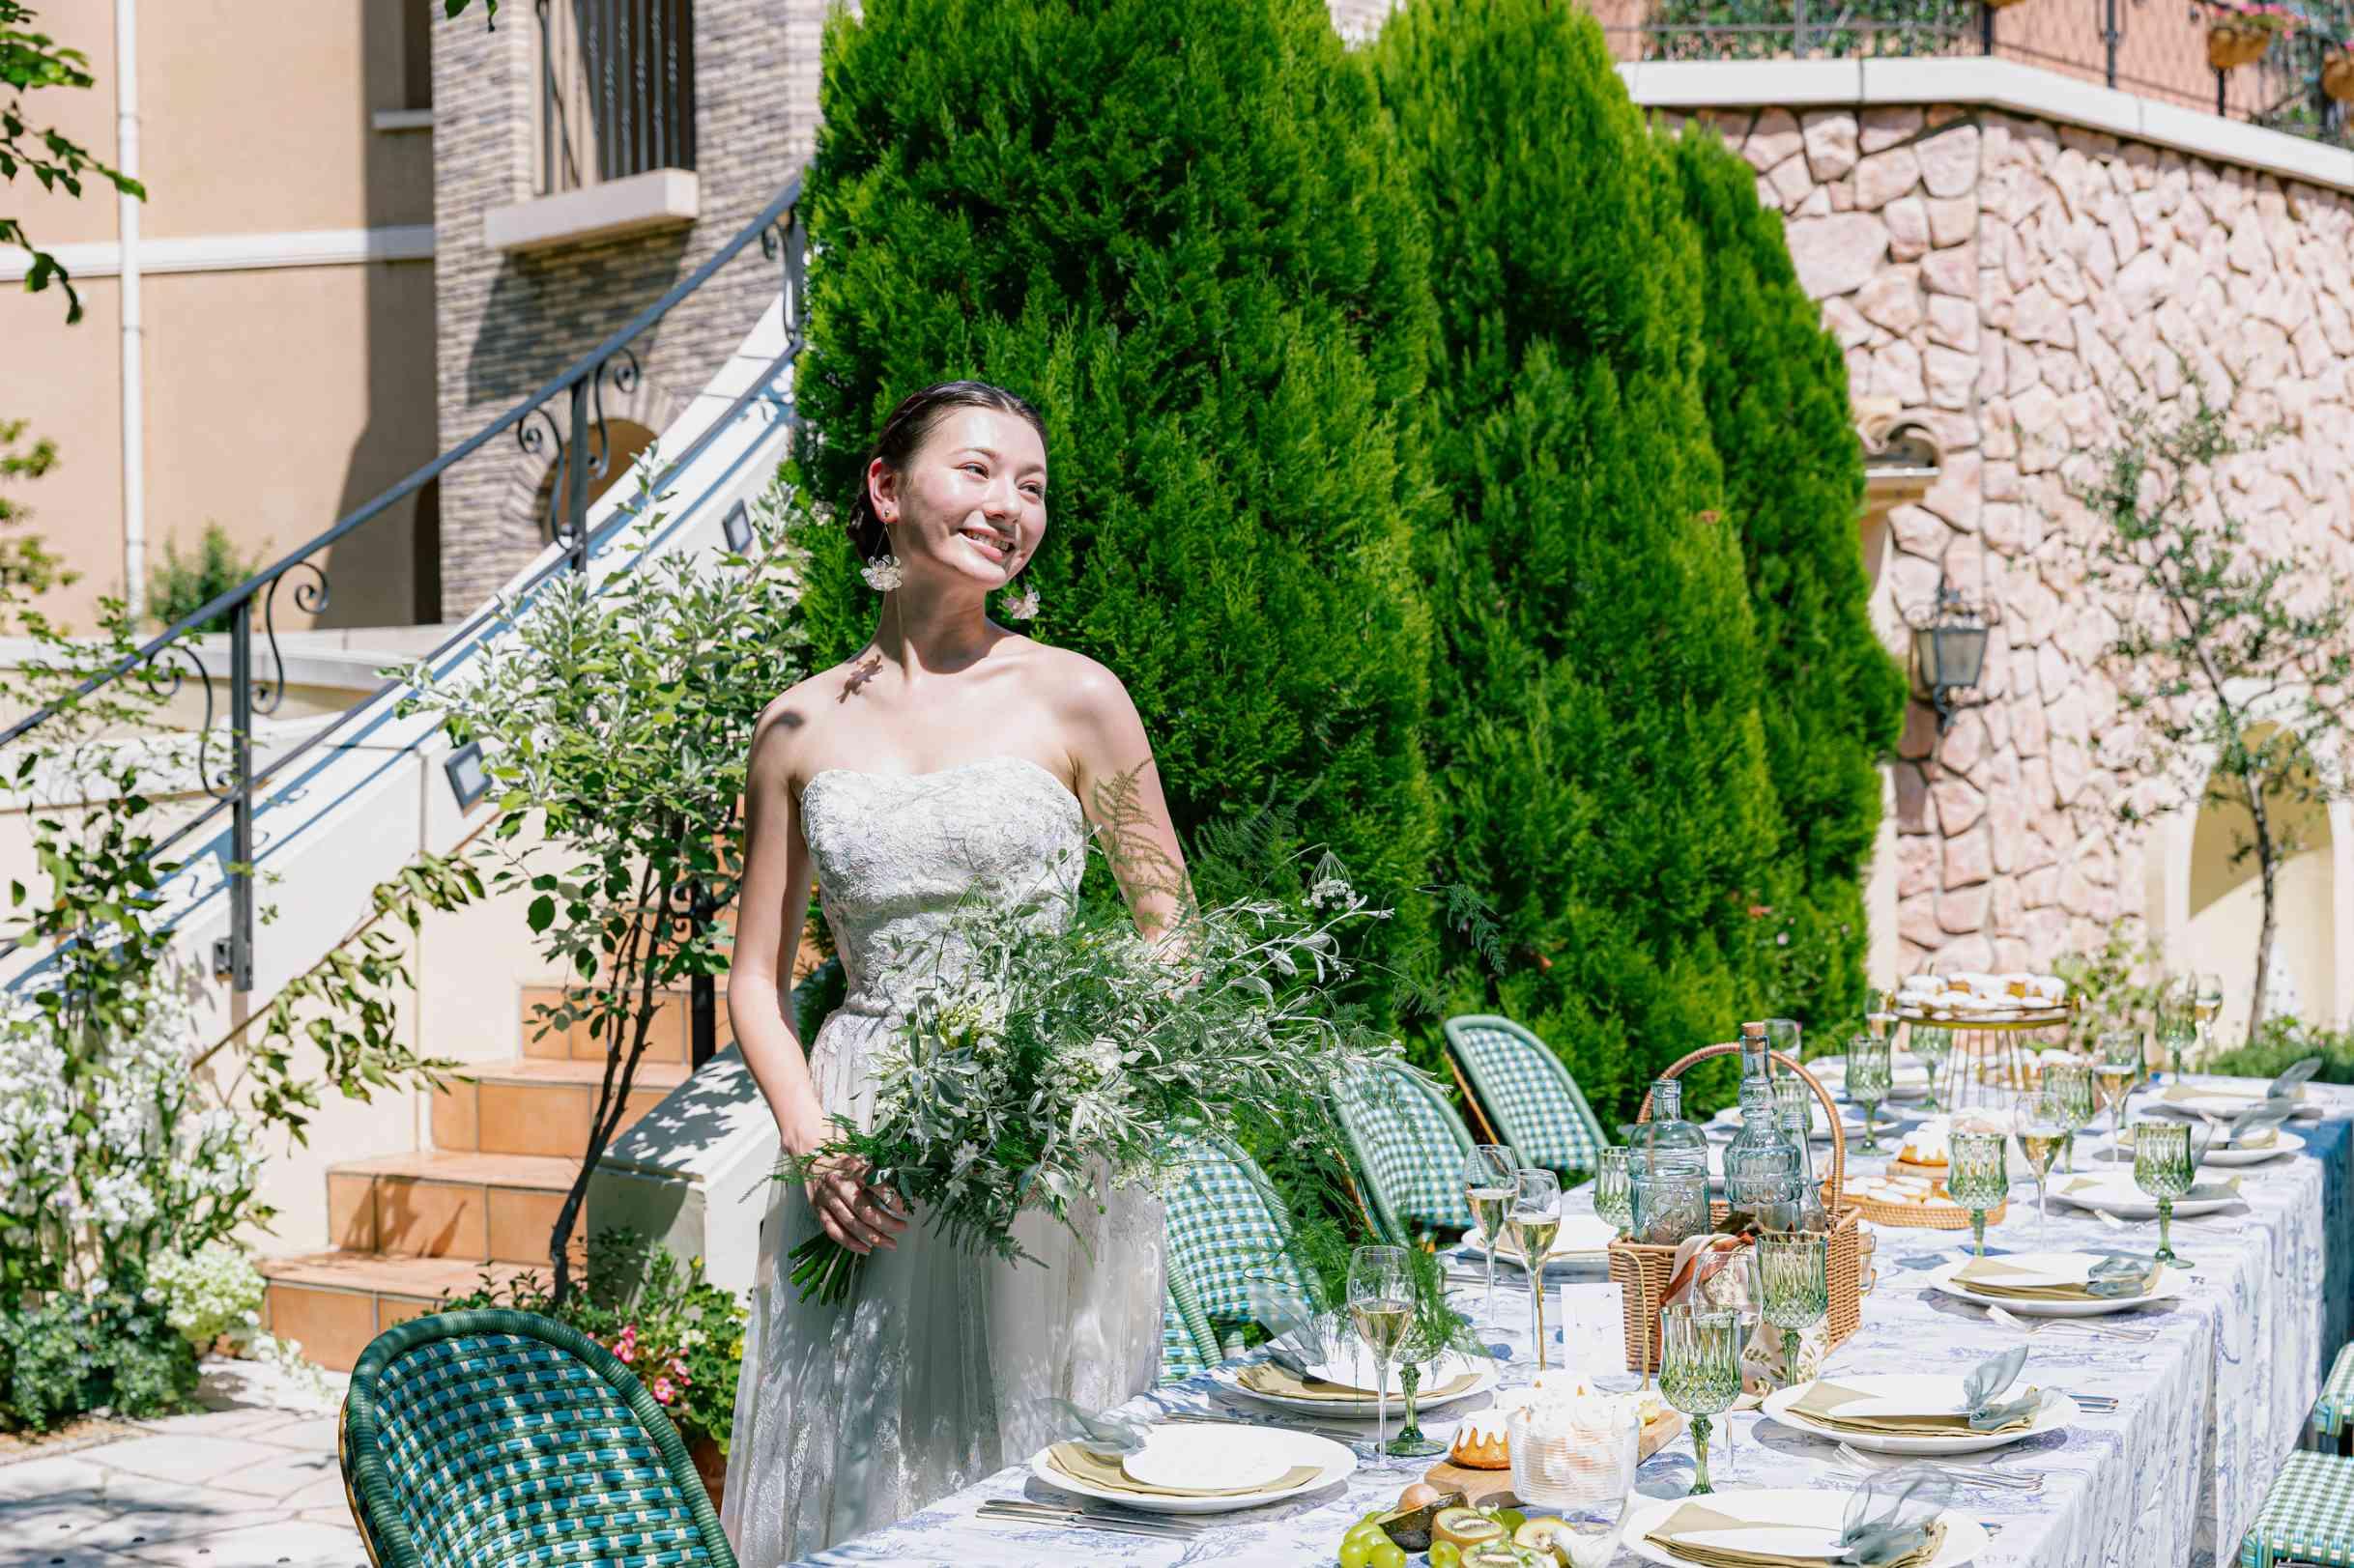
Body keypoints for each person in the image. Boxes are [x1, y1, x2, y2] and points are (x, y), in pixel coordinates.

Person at [719, 382, 1185, 1560]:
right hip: (865, 1138)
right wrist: (814, 1143)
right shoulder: (797, 727)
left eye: (1031, 486)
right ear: (886, 488)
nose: (1009, 506)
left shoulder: (1077, 695)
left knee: (1037, 1450)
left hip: (1044, 1136)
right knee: (866, 1453)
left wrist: (1096, 1070)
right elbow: (754, 982)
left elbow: (1168, 924)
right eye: (977, 470)